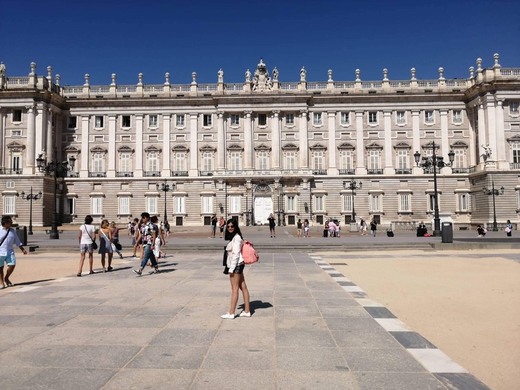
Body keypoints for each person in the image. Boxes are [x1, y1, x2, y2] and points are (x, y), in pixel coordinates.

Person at [221, 219, 251, 319]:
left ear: (235, 227)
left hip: (236, 265)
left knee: (234, 289)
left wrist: (231, 269)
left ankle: (231, 312)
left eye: (232, 226)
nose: (230, 228)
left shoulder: (237, 238)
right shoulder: (234, 237)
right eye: (228, 226)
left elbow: (236, 255)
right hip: (238, 264)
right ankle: (247, 311)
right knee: (243, 287)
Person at [0, 215, 28, 288]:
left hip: (9, 251)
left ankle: (6, 278)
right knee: (0, 267)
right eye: (10, 222)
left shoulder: (12, 230)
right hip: (0, 251)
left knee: (12, 265)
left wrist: (22, 249)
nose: (11, 223)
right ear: (5, 223)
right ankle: (1, 282)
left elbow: (17, 241)